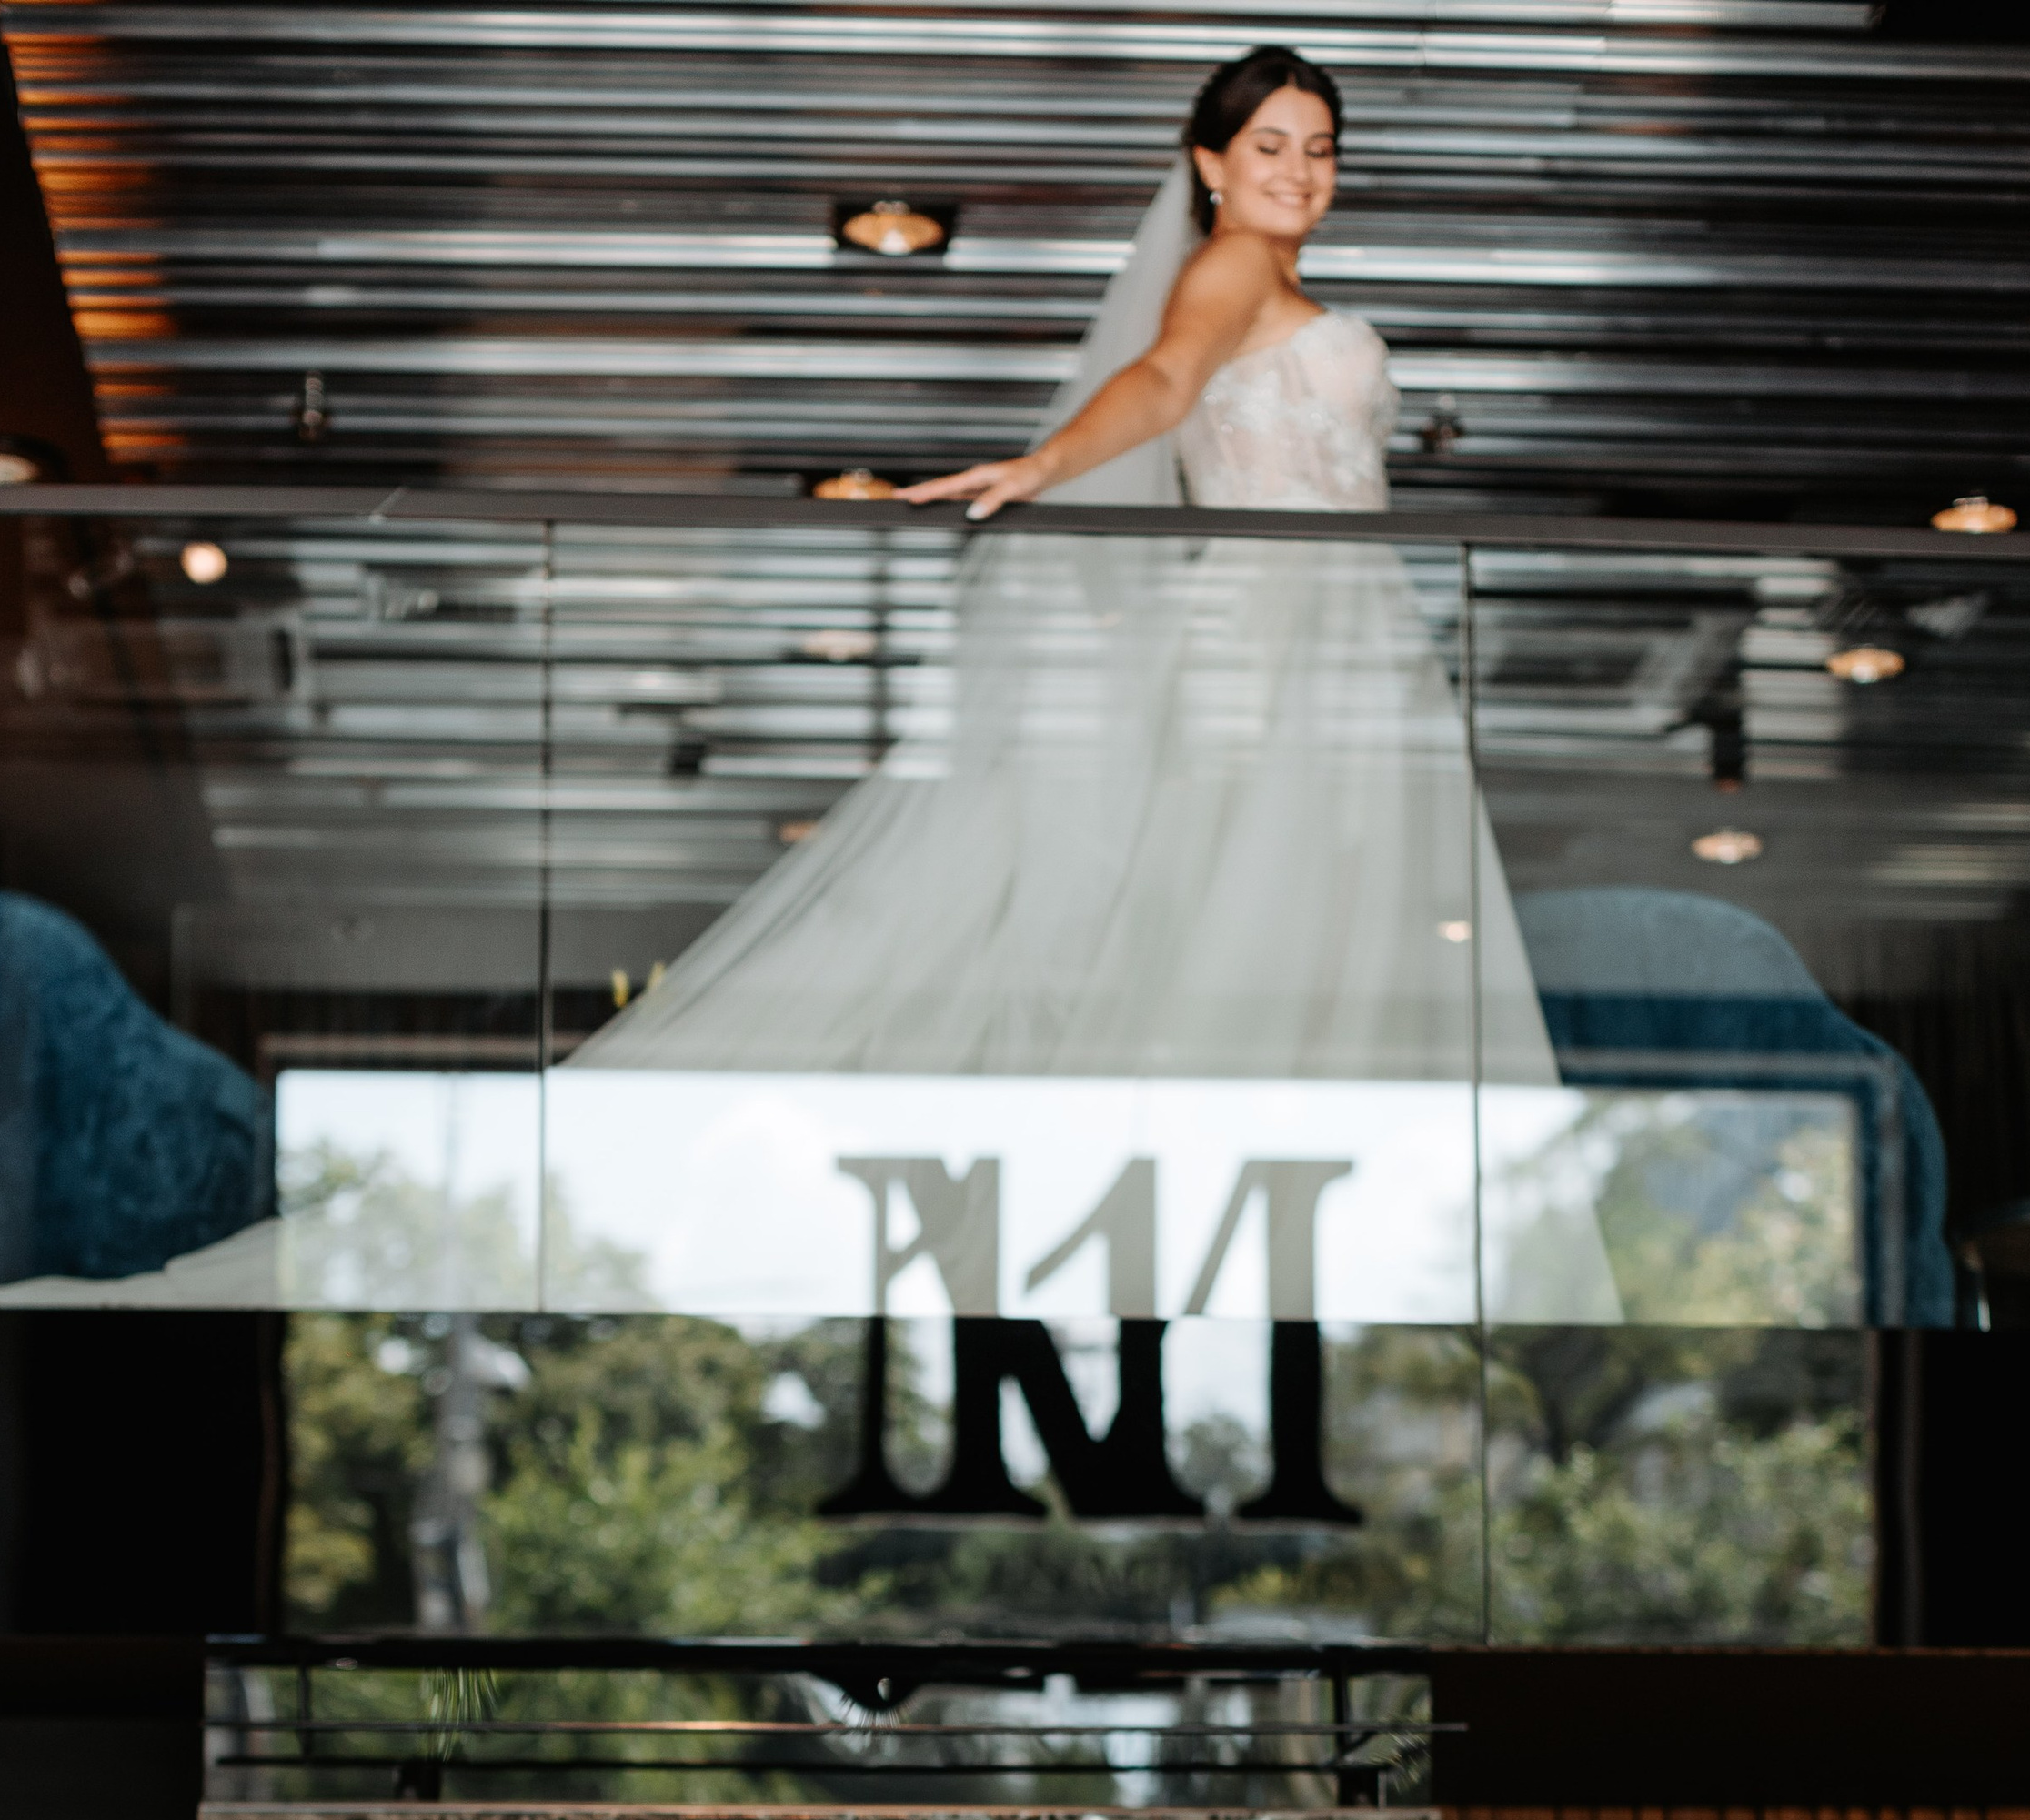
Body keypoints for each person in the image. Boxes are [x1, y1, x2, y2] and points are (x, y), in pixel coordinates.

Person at [571, 46, 1554, 1084]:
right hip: (1277, 609)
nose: (1299, 171)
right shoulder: (1229, 267)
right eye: (1269, 146)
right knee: (1273, 876)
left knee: (1299, 884)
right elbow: (1166, 377)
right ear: (1210, 164)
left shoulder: (1268, 278)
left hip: (1348, 615)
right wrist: (1047, 462)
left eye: (1320, 150)